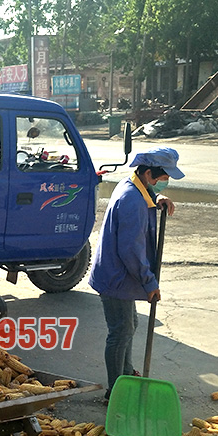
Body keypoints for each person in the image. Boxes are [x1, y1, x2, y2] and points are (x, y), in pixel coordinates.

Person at [88, 147, 184, 402]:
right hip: (117, 276)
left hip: (118, 274)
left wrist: (155, 202)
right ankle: (115, 390)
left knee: (130, 325)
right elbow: (131, 250)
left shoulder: (134, 188)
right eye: (163, 179)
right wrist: (149, 282)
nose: (164, 183)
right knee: (120, 331)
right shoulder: (132, 200)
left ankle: (127, 373)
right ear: (150, 173)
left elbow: (142, 206)